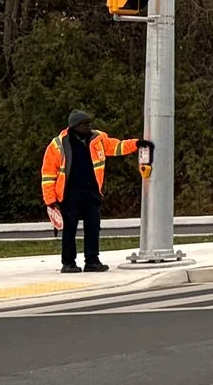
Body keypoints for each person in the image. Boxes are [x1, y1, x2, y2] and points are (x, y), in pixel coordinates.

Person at [40, 110, 141, 273]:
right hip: (69, 194)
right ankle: (68, 262)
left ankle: (92, 260)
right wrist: (50, 201)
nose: (89, 127)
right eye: (85, 124)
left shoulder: (97, 139)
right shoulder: (58, 145)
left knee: (93, 227)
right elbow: (48, 175)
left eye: (89, 123)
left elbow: (116, 146)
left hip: (92, 191)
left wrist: (137, 144)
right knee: (69, 229)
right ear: (75, 126)